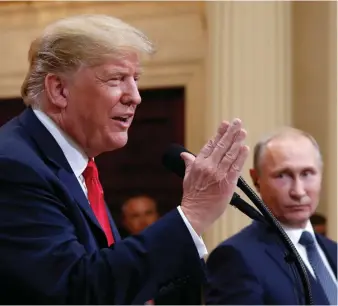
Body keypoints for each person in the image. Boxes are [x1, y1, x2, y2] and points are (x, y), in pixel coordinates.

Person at [0, 14, 250, 304]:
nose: (135, 96)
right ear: (59, 90)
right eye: (116, 79)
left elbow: (104, 275)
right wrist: (192, 215)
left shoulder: (74, 165)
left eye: (135, 79)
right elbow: (74, 290)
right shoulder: (14, 166)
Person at [204, 127, 337, 305]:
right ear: (256, 179)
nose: (298, 191)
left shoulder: (333, 251)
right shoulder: (236, 257)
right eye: (282, 175)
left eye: (307, 174)